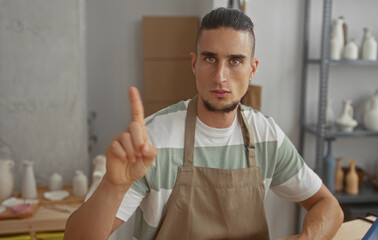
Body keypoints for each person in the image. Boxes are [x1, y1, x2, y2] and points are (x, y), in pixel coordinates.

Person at [64, 7, 343, 240]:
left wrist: (308, 238)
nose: (220, 76)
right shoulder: (153, 141)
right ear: (194, 64)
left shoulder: (266, 135)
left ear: (252, 69)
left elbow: (328, 205)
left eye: (235, 61)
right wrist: (113, 185)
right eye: (210, 59)